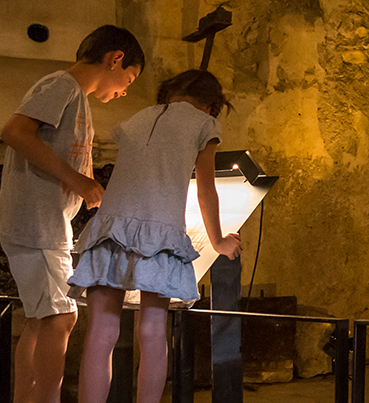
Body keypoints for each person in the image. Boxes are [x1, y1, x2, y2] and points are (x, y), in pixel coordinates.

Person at [0, 24, 144, 403]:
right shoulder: (61, 85)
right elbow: (15, 132)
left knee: (42, 319)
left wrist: (87, 185)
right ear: (115, 59)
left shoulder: (75, 98)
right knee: (62, 317)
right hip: (35, 224)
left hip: (44, 223)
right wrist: (77, 179)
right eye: (129, 79)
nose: (125, 90)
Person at [69, 69, 241, 403]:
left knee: (101, 331)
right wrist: (220, 241)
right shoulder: (204, 125)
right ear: (210, 105)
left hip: (111, 228)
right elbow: (206, 190)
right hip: (160, 232)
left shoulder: (139, 117)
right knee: (151, 331)